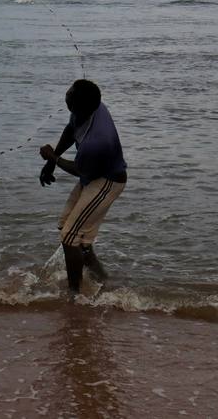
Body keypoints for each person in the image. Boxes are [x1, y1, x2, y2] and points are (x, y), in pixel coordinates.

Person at [39, 78, 127, 296]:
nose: (66, 94)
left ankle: (74, 295)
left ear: (77, 106)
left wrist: (53, 158)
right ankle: (101, 280)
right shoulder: (88, 106)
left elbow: (80, 169)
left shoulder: (97, 141)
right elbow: (71, 129)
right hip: (93, 177)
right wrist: (51, 161)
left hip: (107, 182)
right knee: (66, 228)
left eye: (69, 96)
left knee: (70, 236)